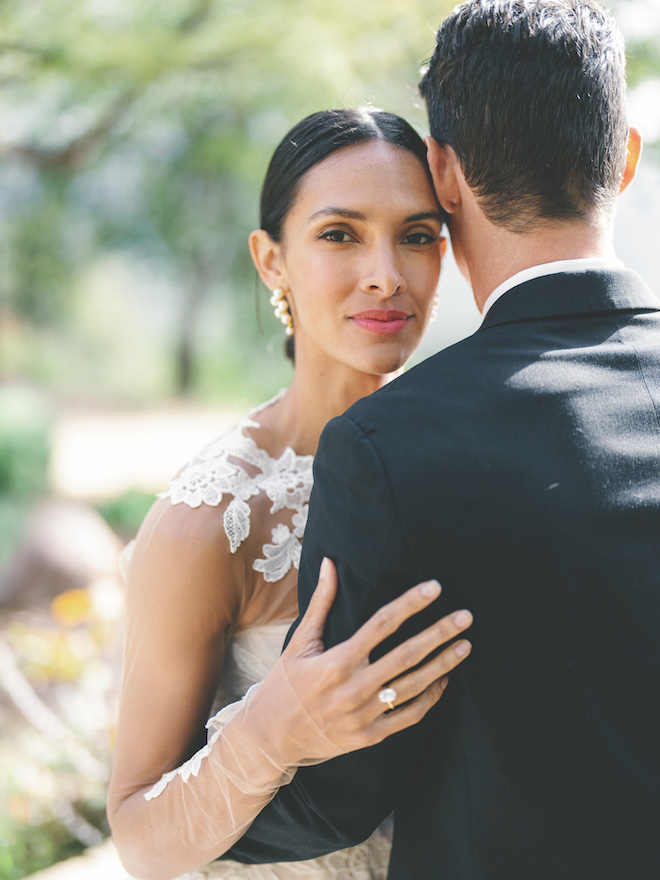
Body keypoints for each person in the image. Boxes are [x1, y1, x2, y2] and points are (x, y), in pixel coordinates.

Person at [223, 2, 660, 878]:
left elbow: (341, 793)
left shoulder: (387, 448)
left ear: (446, 175)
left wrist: (193, 807)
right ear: (625, 159)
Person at [107, 107, 475, 880]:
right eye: (340, 234)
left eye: (417, 235)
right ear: (271, 261)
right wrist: (276, 731)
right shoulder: (210, 522)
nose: (386, 272)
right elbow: (138, 838)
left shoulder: (473, 455)